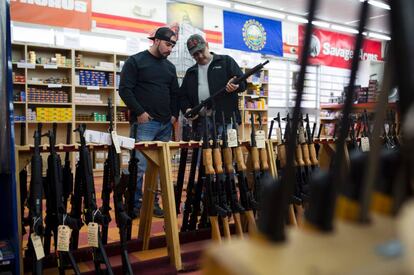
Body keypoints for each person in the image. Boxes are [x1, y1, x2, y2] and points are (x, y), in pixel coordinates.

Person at [119, 27, 179, 218]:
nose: (170, 49)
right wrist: (140, 112)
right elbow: (125, 90)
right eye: (168, 44)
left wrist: (174, 115)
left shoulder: (170, 67)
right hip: (145, 123)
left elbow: (174, 94)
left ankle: (152, 203)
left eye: (173, 46)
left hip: (165, 124)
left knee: (159, 170)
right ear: (156, 41)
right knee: (139, 167)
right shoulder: (136, 61)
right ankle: (133, 206)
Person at [178, 34, 247, 136]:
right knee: (203, 151)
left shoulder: (226, 62)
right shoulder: (191, 72)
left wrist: (236, 86)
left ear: (207, 45)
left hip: (226, 120)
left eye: (201, 51)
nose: (200, 56)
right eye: (195, 54)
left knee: (227, 151)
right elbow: (182, 96)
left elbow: (243, 84)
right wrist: (187, 109)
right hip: (201, 122)